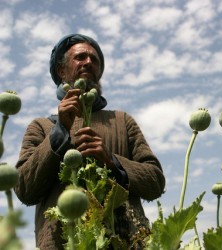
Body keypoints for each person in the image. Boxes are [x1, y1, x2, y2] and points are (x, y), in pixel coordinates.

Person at [14, 34, 165, 249]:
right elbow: (24, 189)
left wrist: (112, 161)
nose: (88, 62)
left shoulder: (122, 121)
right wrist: (59, 135)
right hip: (64, 244)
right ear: (62, 71)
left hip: (123, 242)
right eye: (80, 57)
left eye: (94, 60)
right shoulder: (40, 127)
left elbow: (156, 182)